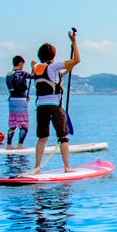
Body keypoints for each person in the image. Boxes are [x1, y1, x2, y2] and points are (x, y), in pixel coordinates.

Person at [32, 31, 80, 173]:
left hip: (41, 107)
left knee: (43, 137)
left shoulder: (37, 69)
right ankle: (67, 167)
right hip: (55, 107)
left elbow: (56, 77)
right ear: (53, 55)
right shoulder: (53, 67)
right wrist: (74, 42)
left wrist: (67, 70)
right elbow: (77, 60)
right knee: (62, 137)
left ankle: (37, 167)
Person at [5, 55, 36, 150]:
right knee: (24, 124)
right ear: (20, 63)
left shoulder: (8, 75)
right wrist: (33, 67)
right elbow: (34, 76)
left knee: (12, 123)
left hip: (12, 101)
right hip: (21, 101)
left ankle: (9, 144)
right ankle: (20, 144)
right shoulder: (22, 73)